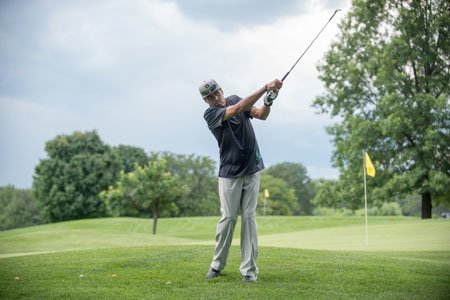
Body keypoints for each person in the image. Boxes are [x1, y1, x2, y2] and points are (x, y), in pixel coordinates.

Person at [200, 78, 283, 282]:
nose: (215, 98)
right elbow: (237, 109)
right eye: (209, 97)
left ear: (221, 89)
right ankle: (217, 264)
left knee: (249, 218)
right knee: (228, 218)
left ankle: (249, 271)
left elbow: (260, 115)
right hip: (229, 172)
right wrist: (265, 87)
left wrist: (269, 101)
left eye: (216, 93)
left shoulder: (236, 99)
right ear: (206, 101)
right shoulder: (211, 114)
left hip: (252, 168)